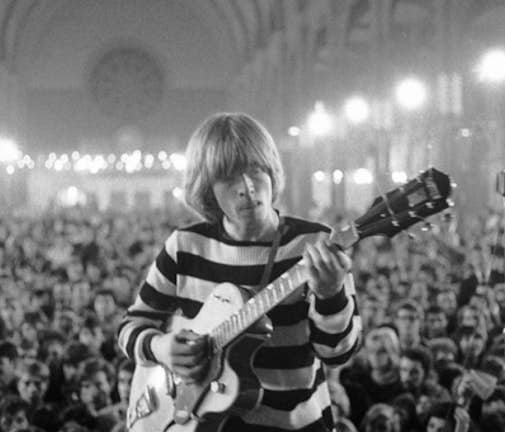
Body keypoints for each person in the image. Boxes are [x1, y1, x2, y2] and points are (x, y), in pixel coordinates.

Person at [117, 112, 362, 431]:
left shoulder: (315, 244)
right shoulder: (186, 246)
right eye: (229, 177)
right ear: (206, 189)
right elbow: (131, 326)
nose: (247, 187)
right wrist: (160, 348)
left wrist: (331, 295)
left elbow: (338, 353)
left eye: (256, 170)